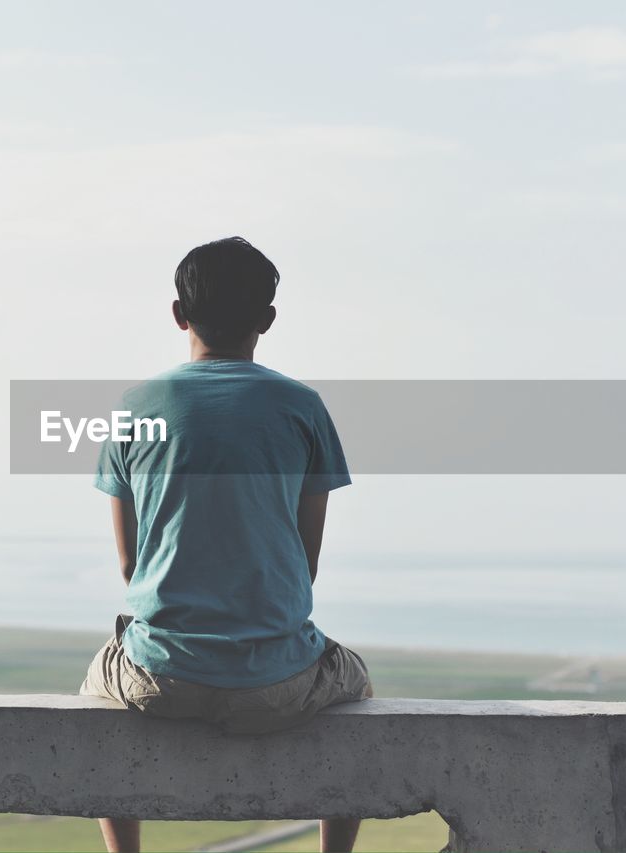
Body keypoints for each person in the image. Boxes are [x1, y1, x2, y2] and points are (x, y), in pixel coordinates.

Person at [79, 236, 373, 853]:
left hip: (161, 677)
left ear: (178, 314)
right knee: (360, 688)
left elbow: (132, 565)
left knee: (95, 685)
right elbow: (305, 559)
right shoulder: (303, 408)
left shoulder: (134, 408)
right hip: (280, 681)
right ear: (266, 320)